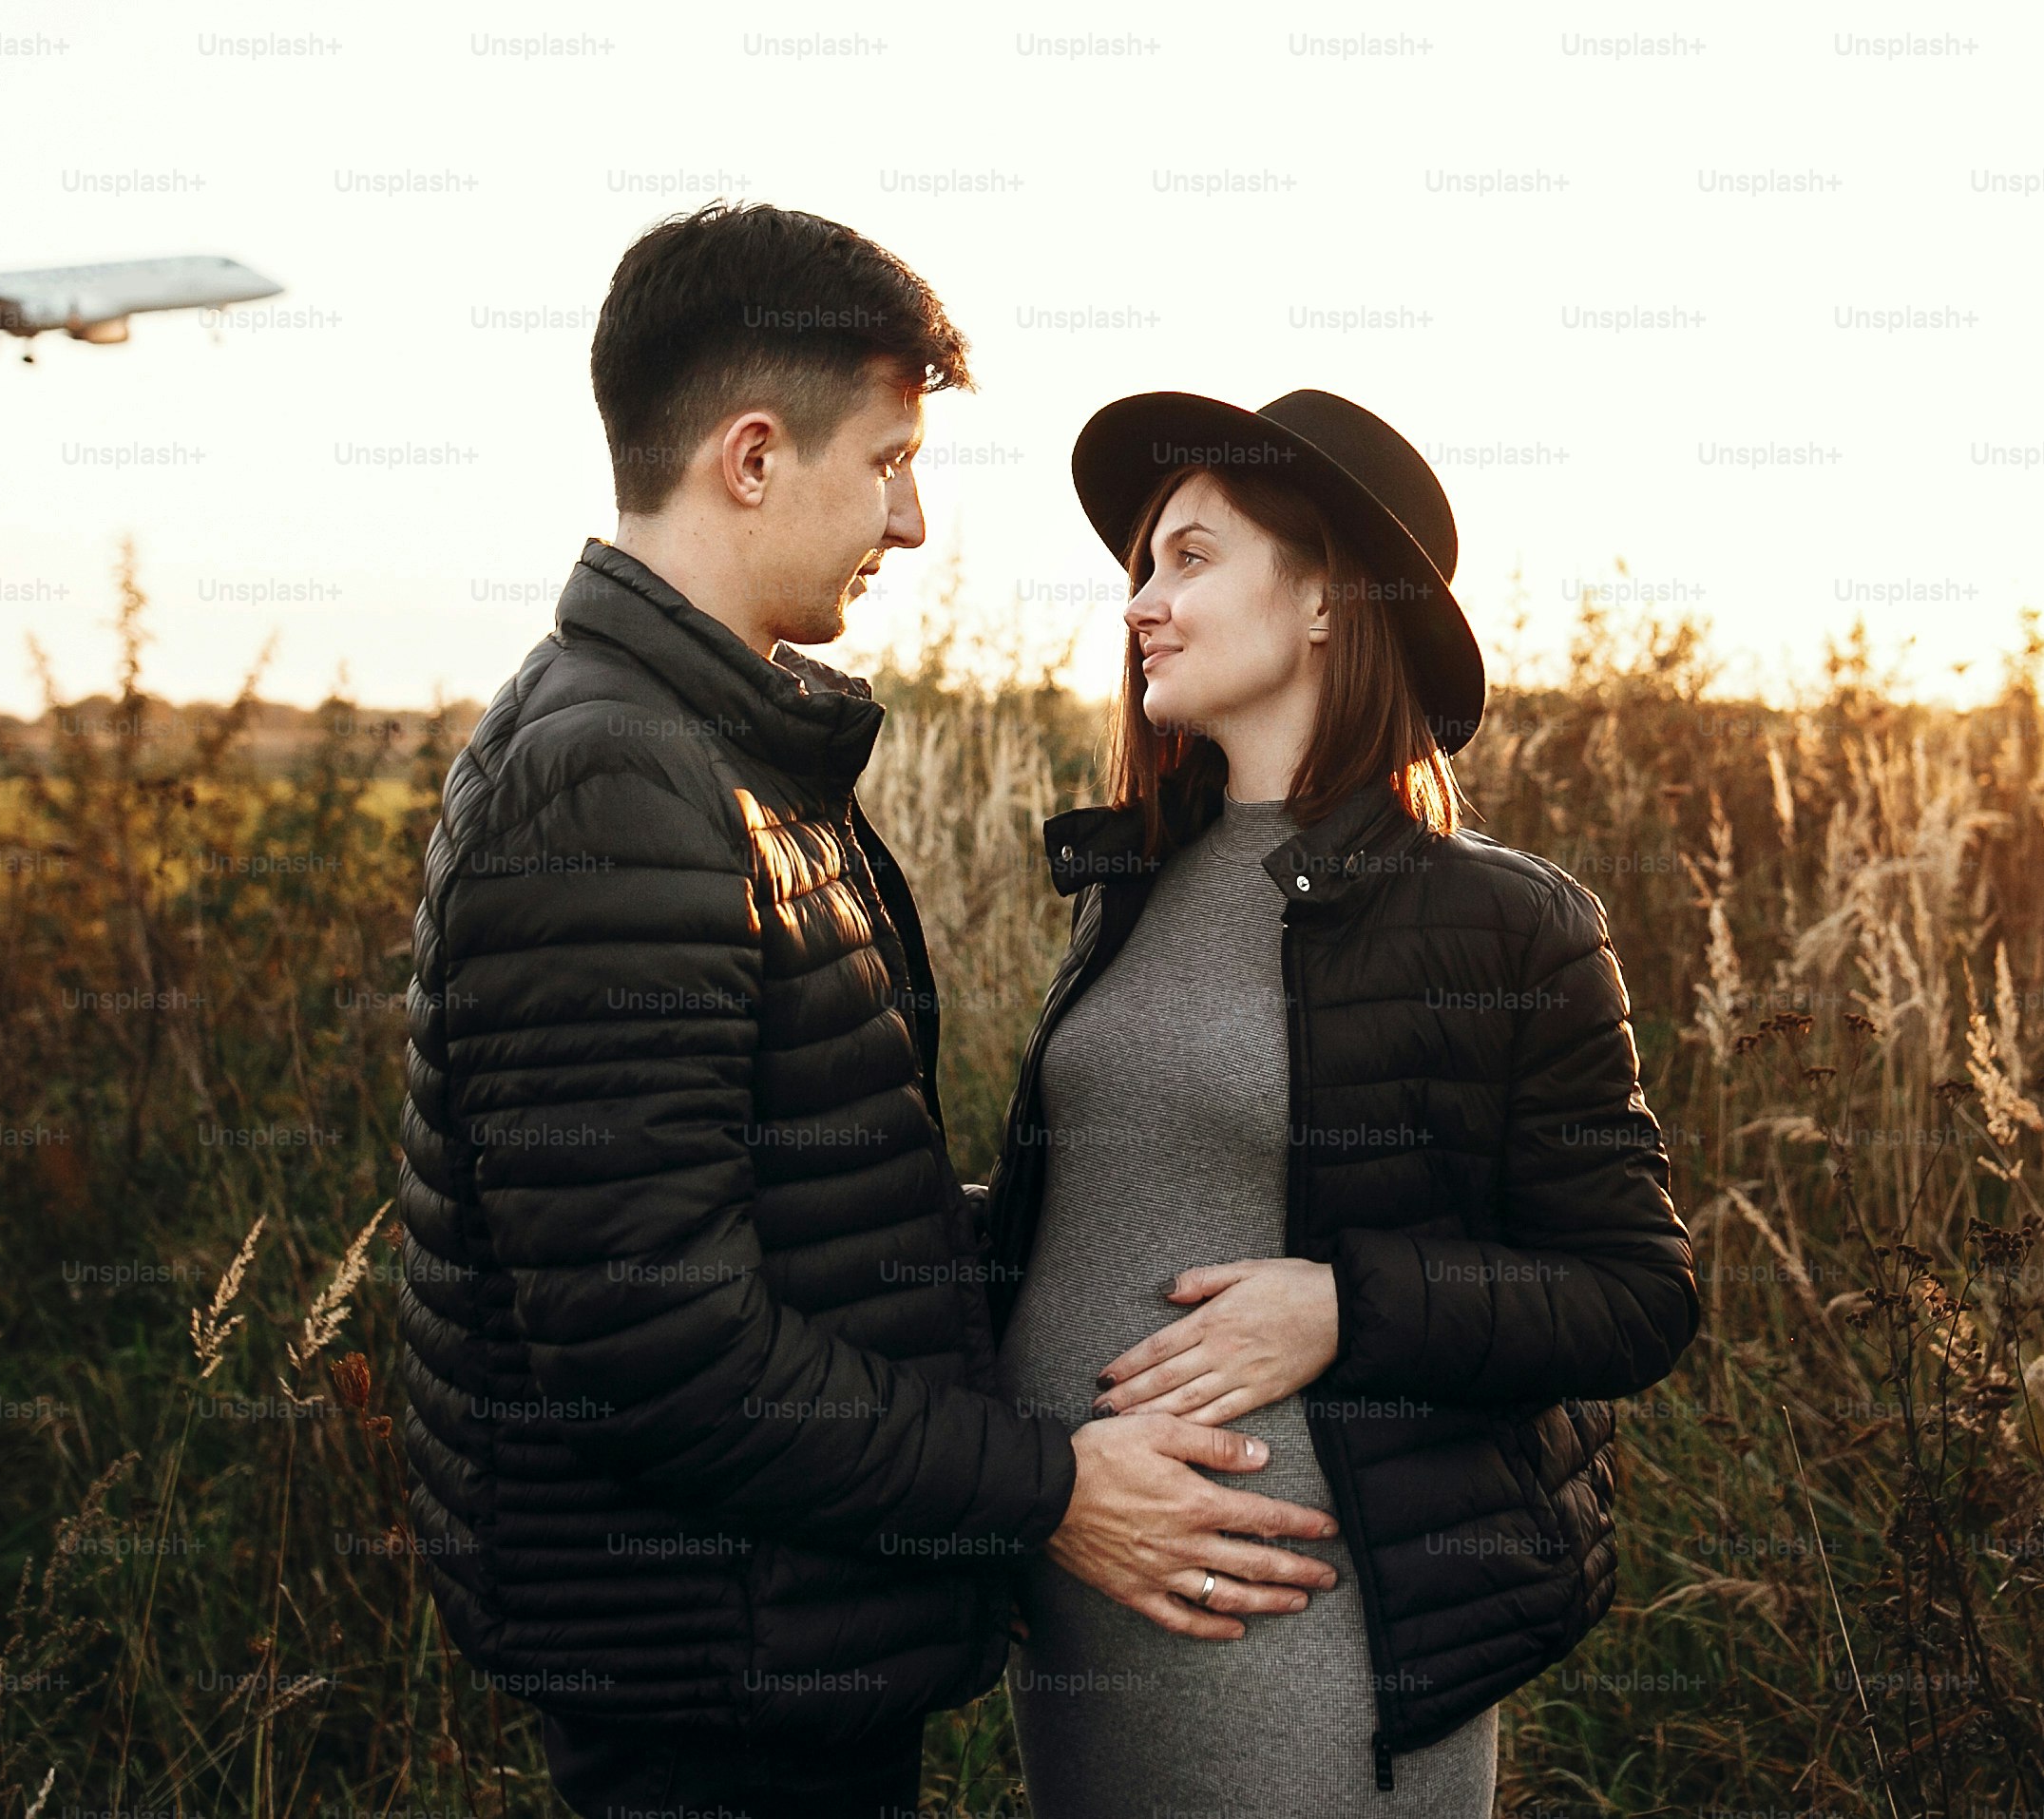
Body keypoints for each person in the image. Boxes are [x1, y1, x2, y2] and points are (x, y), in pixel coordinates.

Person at [391, 209, 1344, 1819]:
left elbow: (813, 1209)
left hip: (772, 1630)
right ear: (754, 458)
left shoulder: (720, 751)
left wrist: (1278, 1275)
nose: (911, 521)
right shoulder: (613, 774)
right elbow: (656, 1340)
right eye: (891, 462)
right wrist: (1052, 1487)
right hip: (715, 1676)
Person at [985, 388, 1704, 1812]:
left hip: (1306, 1643)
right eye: (1141, 566)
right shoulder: (1131, 883)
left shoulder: (1505, 923)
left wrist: (1342, 1305)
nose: (1141, 603)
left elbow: (1635, 1294)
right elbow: (1089, 1209)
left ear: (1326, 598)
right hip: (1079, 1612)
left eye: (1190, 558)